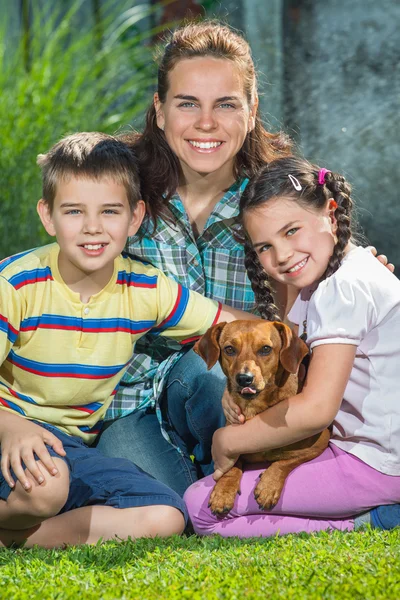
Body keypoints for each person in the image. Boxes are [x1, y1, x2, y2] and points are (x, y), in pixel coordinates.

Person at [95, 19, 393, 497]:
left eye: (227, 104)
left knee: (205, 383)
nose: (206, 123)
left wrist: (359, 263)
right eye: (187, 103)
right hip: (134, 402)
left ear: (252, 110)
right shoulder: (121, 192)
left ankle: (237, 462)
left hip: (240, 397)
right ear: (159, 109)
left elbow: (322, 270)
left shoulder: (270, 206)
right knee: (162, 507)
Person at [0, 132, 254, 548]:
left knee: (166, 516)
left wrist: (320, 322)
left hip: (72, 449)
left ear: (135, 218)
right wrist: (11, 427)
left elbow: (230, 324)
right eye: (74, 211)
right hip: (9, 431)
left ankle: (20, 538)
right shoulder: (16, 284)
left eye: (110, 211)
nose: (93, 227)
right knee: (44, 489)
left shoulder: (144, 289)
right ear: (47, 216)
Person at [184, 156, 400, 536]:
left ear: (330, 214)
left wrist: (226, 438)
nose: (281, 256)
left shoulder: (343, 286)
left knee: (200, 509)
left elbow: (316, 411)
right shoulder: (330, 278)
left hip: (377, 463)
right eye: (264, 246)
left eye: (291, 231)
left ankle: (374, 519)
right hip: (361, 451)